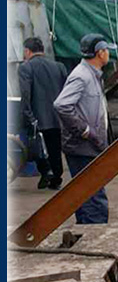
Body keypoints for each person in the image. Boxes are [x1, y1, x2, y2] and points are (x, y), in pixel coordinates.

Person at [53, 33, 114, 224]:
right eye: (107, 50)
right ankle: (94, 235)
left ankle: (86, 232)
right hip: (82, 148)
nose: (109, 54)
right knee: (93, 198)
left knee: (86, 194)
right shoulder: (82, 76)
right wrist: (85, 130)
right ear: (100, 53)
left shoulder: (93, 75)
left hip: (90, 146)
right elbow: (62, 105)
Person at [17, 37, 68, 189]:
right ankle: (56, 176)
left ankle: (46, 171)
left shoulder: (25, 68)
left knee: (34, 148)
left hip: (36, 117)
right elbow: (66, 91)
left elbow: (25, 94)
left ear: (27, 51)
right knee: (55, 148)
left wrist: (27, 116)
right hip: (57, 116)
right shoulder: (59, 67)